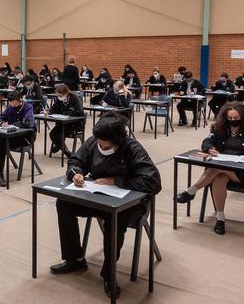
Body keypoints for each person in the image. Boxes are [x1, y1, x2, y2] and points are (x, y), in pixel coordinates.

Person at [50, 112, 161, 299]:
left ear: (118, 141)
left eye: (105, 145)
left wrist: (115, 180)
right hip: (97, 196)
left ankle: (109, 272)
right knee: (64, 203)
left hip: (129, 203)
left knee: (114, 217)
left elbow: (152, 182)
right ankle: (75, 258)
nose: (101, 147)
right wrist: (75, 173)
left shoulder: (132, 148)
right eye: (99, 143)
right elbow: (76, 160)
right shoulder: (94, 141)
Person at [174, 102, 244, 235]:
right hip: (223, 170)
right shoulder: (219, 129)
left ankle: (191, 191)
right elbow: (207, 142)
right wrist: (210, 148)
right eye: (229, 118)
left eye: (236, 118)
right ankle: (220, 219)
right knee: (218, 178)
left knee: (215, 168)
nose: (232, 121)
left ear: (243, 117)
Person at [0, 91, 36, 187]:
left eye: (13, 102)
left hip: (26, 137)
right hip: (12, 135)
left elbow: (29, 123)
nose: (11, 104)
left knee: (1, 142)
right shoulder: (10, 107)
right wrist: (2, 124)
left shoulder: (28, 107)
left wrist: (12, 124)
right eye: (10, 102)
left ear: (19, 100)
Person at [46, 84, 84, 157]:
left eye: (60, 95)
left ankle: (64, 151)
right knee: (52, 134)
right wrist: (48, 112)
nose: (59, 97)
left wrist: (64, 112)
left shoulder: (75, 98)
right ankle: (63, 149)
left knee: (58, 135)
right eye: (58, 95)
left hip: (75, 124)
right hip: (63, 123)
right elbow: (54, 108)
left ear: (66, 93)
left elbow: (79, 112)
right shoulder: (59, 99)